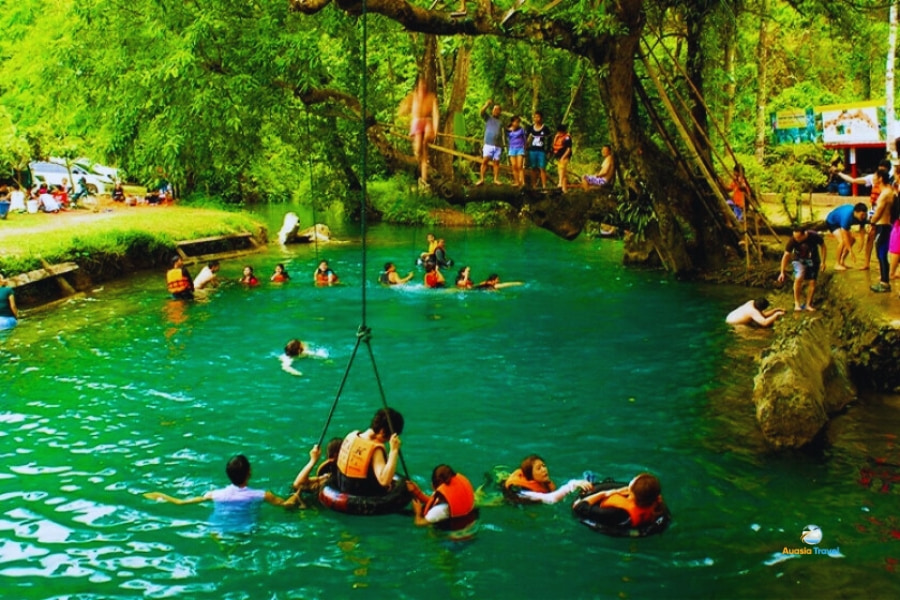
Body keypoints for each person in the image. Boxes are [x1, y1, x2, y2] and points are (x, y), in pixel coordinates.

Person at [143, 454, 298, 533]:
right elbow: (287, 505)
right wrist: (297, 494)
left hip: (216, 528)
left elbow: (180, 502)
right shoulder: (261, 495)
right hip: (245, 530)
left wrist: (157, 495)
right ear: (249, 472)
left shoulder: (214, 494)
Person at [335, 407, 405, 496]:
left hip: (342, 487)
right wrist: (394, 451)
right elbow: (384, 480)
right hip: (361, 496)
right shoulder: (376, 449)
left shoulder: (352, 435)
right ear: (382, 431)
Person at [837, 158, 892, 270]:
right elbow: (853, 180)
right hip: (875, 211)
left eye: (882, 172)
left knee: (887, 240)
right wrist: (838, 173)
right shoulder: (873, 178)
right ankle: (867, 263)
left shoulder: (892, 182)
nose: (879, 175)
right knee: (871, 238)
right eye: (879, 171)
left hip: (888, 214)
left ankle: (889, 267)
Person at [572, 473, 666, 529]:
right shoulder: (656, 505)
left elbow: (578, 507)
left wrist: (604, 494)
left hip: (612, 521)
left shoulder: (617, 512)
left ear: (631, 492)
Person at [406, 464, 477, 528]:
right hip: (471, 524)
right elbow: (433, 501)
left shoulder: (439, 510)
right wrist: (417, 492)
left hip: (454, 539)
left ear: (433, 486)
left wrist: (418, 512)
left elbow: (419, 523)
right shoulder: (456, 488)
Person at [504, 454, 592, 504]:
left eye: (544, 466)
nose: (544, 469)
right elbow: (551, 499)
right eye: (539, 468)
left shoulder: (543, 483)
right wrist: (572, 484)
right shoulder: (525, 492)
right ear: (530, 475)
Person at [777, 227, 827, 310]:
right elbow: (786, 256)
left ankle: (808, 304)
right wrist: (782, 272)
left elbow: (823, 246)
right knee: (799, 277)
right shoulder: (792, 240)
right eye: (795, 237)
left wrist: (823, 262)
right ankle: (797, 304)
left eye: (798, 237)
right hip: (798, 260)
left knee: (812, 282)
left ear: (804, 234)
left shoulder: (814, 236)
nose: (796, 239)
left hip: (813, 260)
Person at [285, 439, 343, 508]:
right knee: (299, 491)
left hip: (314, 501)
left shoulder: (328, 477)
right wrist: (313, 461)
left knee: (299, 491)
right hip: (315, 503)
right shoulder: (328, 477)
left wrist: (313, 460)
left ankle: (293, 499)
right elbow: (298, 485)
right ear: (336, 455)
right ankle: (294, 499)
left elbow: (298, 484)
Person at [868, 170, 895, 292]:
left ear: (880, 178)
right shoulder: (888, 191)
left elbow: (879, 212)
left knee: (881, 254)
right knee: (881, 254)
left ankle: (884, 283)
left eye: (874, 176)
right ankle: (884, 280)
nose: (873, 178)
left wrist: (871, 222)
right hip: (884, 225)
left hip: (883, 226)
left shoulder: (885, 193)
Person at [410, 77, 440, 186]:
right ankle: (422, 177)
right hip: (417, 122)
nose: (422, 87)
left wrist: (435, 129)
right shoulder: (415, 96)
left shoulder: (431, 97)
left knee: (425, 144)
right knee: (420, 152)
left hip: (427, 122)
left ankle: (423, 178)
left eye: (424, 85)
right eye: (420, 85)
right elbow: (413, 111)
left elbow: (435, 114)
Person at [826, 202, 868, 270]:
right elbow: (845, 237)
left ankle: (842, 261)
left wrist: (862, 243)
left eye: (865, 215)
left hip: (841, 223)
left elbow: (862, 229)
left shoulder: (863, 217)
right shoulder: (847, 216)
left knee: (852, 240)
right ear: (855, 212)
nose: (863, 216)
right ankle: (837, 264)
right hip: (832, 222)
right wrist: (850, 251)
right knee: (842, 242)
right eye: (862, 215)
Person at [475, 99, 504, 186]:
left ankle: (495, 179)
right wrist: (487, 104)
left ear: (500, 112)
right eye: (494, 109)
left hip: (498, 145)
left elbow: (503, 134)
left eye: (497, 109)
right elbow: (481, 112)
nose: (495, 111)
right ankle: (482, 179)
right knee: (485, 161)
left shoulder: (501, 122)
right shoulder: (488, 118)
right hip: (488, 144)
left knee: (496, 162)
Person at [526, 111, 551, 189]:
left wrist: (548, 151)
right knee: (533, 168)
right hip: (532, 150)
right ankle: (534, 185)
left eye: (538, 117)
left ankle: (544, 185)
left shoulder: (545, 128)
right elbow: (526, 139)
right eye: (535, 117)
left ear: (541, 118)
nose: (536, 119)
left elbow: (549, 140)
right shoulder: (530, 128)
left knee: (542, 168)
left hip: (541, 151)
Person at [551, 123, 573, 192]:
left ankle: (560, 184)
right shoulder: (558, 136)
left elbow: (568, 149)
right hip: (559, 156)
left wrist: (563, 157)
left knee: (562, 170)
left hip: (564, 156)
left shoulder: (567, 138)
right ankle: (564, 189)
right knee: (561, 172)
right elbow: (554, 145)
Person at [507, 115, 527, 187]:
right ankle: (517, 182)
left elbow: (525, 140)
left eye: (518, 122)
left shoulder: (521, 130)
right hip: (512, 149)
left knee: (519, 166)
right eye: (515, 122)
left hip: (520, 149)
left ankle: (523, 182)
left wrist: (524, 149)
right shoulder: (508, 130)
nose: (517, 123)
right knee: (514, 166)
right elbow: (507, 139)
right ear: (512, 122)